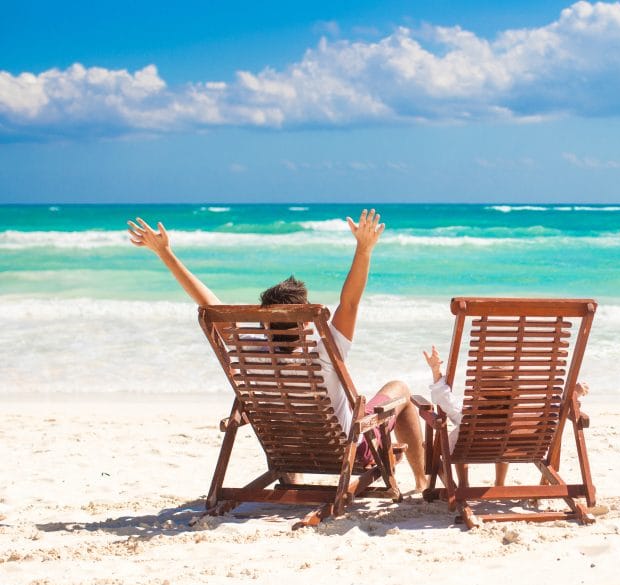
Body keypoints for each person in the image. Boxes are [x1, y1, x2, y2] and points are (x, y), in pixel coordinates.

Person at [128, 209, 428, 492]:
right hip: (346, 453)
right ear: (305, 321)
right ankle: (421, 482)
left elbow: (209, 305)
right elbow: (349, 303)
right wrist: (364, 249)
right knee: (400, 389)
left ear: (266, 323)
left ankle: (293, 474)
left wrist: (166, 254)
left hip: (287, 450)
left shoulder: (251, 353)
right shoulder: (326, 349)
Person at [422, 345, 588, 488]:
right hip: (506, 448)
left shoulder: (466, 417)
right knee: (504, 442)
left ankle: (464, 483)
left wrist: (436, 370)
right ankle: (500, 483)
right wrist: (575, 393)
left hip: (468, 450)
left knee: (461, 437)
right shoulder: (519, 418)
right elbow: (556, 409)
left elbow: (444, 397)